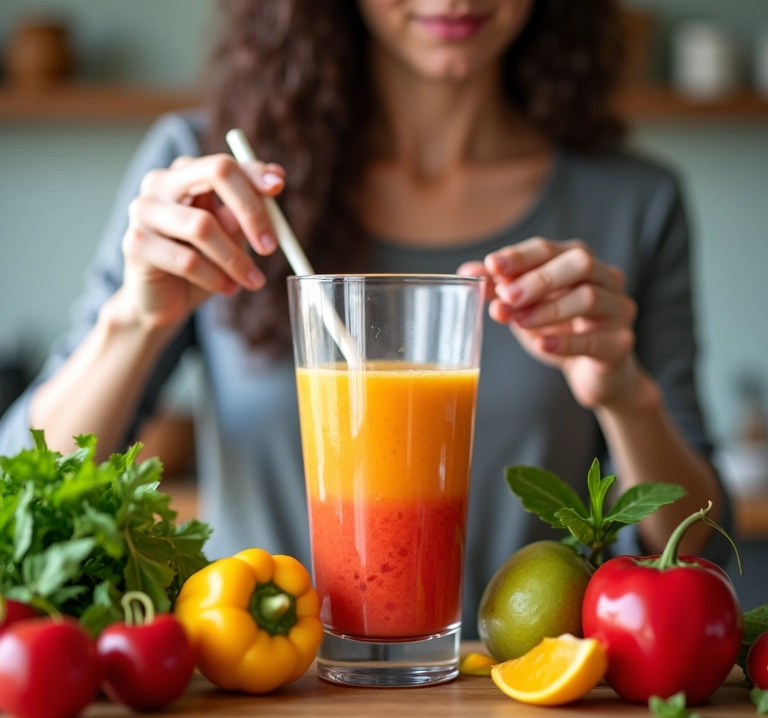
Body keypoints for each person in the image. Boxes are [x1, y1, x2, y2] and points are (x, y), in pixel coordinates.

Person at [0, 0, 730, 631]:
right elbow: (20, 495)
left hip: (518, 704)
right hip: (265, 695)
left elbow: (697, 549)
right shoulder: (211, 181)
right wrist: (135, 319)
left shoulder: (633, 203)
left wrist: (625, 396)